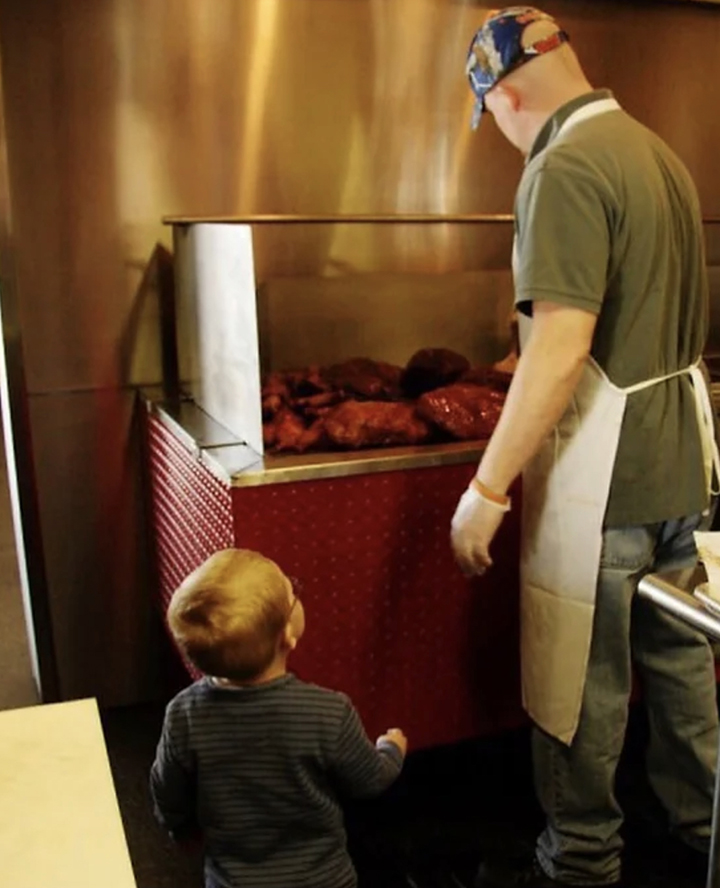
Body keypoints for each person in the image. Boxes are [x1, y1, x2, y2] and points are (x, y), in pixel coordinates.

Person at [451, 7, 720, 888]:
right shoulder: (656, 152)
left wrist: (487, 489)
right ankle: (703, 828)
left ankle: (580, 861)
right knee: (683, 663)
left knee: (582, 681)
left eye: (488, 114)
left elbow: (564, 350)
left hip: (605, 479)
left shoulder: (561, 166)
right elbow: (627, 317)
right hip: (683, 464)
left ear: (506, 94)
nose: (496, 132)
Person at [150, 547, 407, 888]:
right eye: (293, 592)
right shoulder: (328, 712)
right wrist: (391, 750)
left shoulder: (183, 715)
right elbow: (369, 780)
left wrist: (179, 829)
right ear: (287, 634)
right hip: (322, 879)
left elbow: (166, 789)